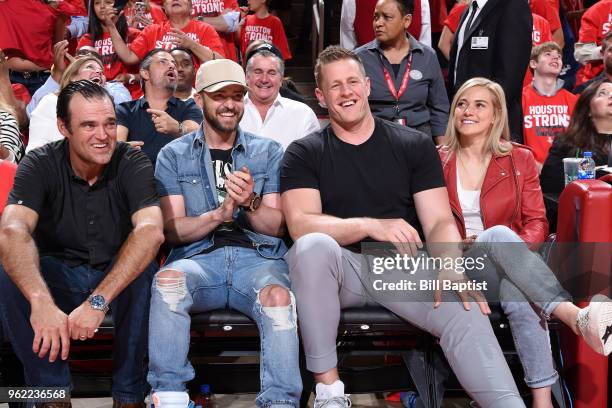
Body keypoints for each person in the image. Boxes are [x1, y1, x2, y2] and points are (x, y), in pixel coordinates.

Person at [280, 45, 525, 408]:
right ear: (320, 96)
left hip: (401, 268)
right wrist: (370, 225)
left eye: (352, 82)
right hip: (340, 271)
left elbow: (439, 220)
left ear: (366, 85)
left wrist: (450, 266)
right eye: (335, 86)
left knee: (463, 302)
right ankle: (330, 392)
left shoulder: (412, 144)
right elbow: (301, 225)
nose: (346, 92)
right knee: (312, 248)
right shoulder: (303, 152)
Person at [439, 76, 612, 408]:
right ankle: (575, 318)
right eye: (461, 103)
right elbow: (427, 222)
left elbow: (537, 222)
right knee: (499, 239)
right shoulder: (436, 159)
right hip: (457, 265)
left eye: (479, 105)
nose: (467, 111)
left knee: (514, 283)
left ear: (495, 115)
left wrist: (506, 251)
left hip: (510, 264)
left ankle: (542, 401)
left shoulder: (519, 159)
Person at [0, 80, 164, 408]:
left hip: (113, 274)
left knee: (143, 272)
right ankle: (51, 395)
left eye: (109, 124)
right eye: (88, 125)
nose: (103, 135)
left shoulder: (133, 162)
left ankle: (129, 396)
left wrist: (98, 302)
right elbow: (12, 230)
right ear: (64, 127)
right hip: (57, 272)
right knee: (9, 271)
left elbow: (151, 231)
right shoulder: (40, 163)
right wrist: (40, 300)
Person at [148, 58, 301, 408]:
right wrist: (218, 214)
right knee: (168, 282)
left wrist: (250, 202)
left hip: (258, 260)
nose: (230, 104)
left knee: (278, 299)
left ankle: (280, 403)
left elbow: (278, 227)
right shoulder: (173, 155)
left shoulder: (268, 151)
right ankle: (169, 395)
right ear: (200, 100)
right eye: (220, 96)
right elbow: (173, 230)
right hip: (200, 259)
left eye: (237, 95)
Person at [355, 0, 449, 143]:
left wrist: (443, 152)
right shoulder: (359, 58)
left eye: (387, 17)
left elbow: (439, 108)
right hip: (375, 140)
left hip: (419, 141)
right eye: (376, 17)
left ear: (406, 21)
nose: (378, 23)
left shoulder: (428, 56)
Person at [448, 0, 532, 142]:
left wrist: (483, 115)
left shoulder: (513, 5)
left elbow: (509, 77)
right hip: (465, 122)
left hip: (494, 129)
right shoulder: (468, 10)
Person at [116, 49, 203, 166]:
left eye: (173, 64)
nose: (172, 66)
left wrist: (178, 128)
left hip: (177, 180)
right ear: (145, 73)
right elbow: (118, 142)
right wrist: (122, 151)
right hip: (136, 177)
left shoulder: (189, 106)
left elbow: (197, 132)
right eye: (163, 62)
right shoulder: (125, 110)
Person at [541, 79, 612, 193]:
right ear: (588, 109)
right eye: (602, 93)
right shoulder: (566, 143)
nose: (611, 96)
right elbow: (549, 189)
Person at [27, 56, 111, 153]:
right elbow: (35, 150)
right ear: (72, 77)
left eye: (101, 71)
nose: (99, 72)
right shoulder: (51, 102)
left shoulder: (107, 109)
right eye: (89, 67)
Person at [104, 0, 225, 67]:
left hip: (195, 95)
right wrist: (111, 27)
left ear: (191, 7)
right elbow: (128, 57)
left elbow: (220, 63)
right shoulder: (153, 31)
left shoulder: (205, 29)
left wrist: (192, 45)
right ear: (165, 8)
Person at [26, 42, 132, 118]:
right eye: (81, 55)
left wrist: (100, 87)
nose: (86, 56)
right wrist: (57, 76)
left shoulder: (114, 87)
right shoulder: (58, 93)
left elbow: (126, 111)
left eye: (93, 57)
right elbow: (32, 113)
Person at [240, 47, 320, 149]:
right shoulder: (231, 111)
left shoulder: (303, 114)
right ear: (247, 77)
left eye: (271, 73)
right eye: (258, 72)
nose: (264, 79)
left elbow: (314, 159)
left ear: (281, 80)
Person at [522, 42, 578, 170]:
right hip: (529, 173)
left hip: (566, 174)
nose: (555, 58)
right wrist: (534, 167)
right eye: (548, 54)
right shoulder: (520, 99)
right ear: (533, 64)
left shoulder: (573, 100)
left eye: (558, 56)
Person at [78, 0, 142, 97]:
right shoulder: (87, 40)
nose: (102, 6)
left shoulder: (135, 35)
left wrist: (130, 77)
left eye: (108, 2)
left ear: (119, 6)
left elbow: (150, 74)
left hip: (133, 98)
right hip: (98, 97)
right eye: (97, 3)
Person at [340, 0, 432, 49]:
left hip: (411, 77)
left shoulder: (421, 2)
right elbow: (348, 51)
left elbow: (425, 50)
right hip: (366, 75)